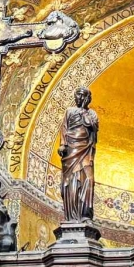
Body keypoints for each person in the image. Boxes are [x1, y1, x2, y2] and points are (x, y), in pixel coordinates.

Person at [58, 87, 99, 223]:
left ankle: (85, 214)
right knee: (71, 181)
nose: (79, 98)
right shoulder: (69, 111)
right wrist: (63, 144)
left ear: (88, 98)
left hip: (86, 149)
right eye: (77, 95)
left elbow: (93, 126)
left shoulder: (92, 113)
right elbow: (64, 128)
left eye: (82, 96)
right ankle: (71, 216)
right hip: (71, 150)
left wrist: (83, 113)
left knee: (88, 179)